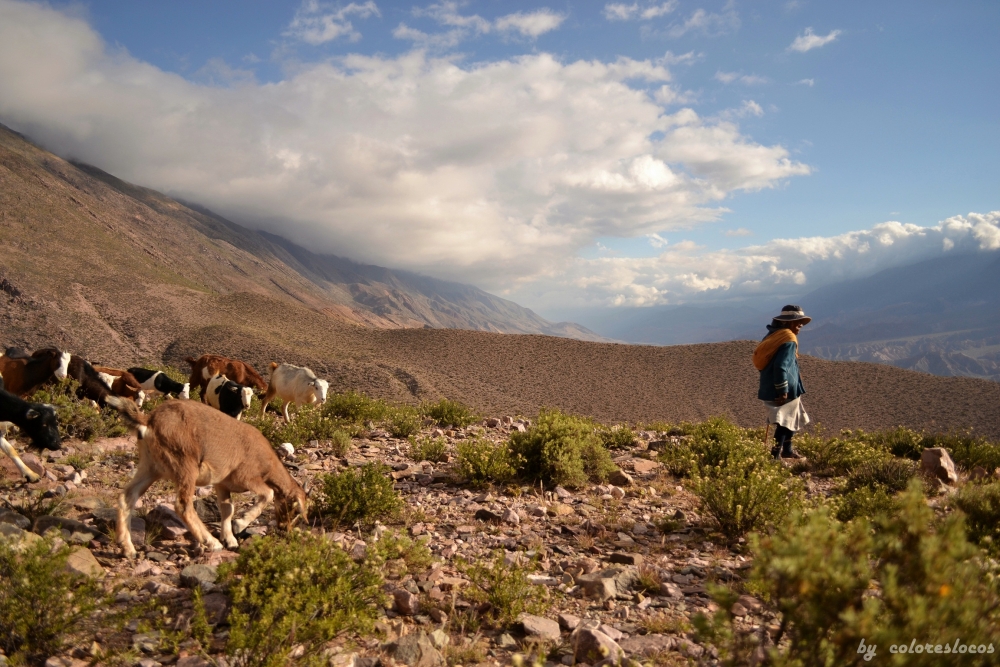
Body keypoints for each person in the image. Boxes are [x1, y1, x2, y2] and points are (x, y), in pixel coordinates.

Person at [752, 305, 811, 459]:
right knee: (785, 422)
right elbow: (780, 365)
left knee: (789, 419)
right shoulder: (788, 339)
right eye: (797, 323)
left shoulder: (773, 335)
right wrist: (782, 390)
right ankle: (776, 455)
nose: (800, 326)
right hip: (784, 388)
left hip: (771, 385)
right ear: (788, 323)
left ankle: (787, 450)